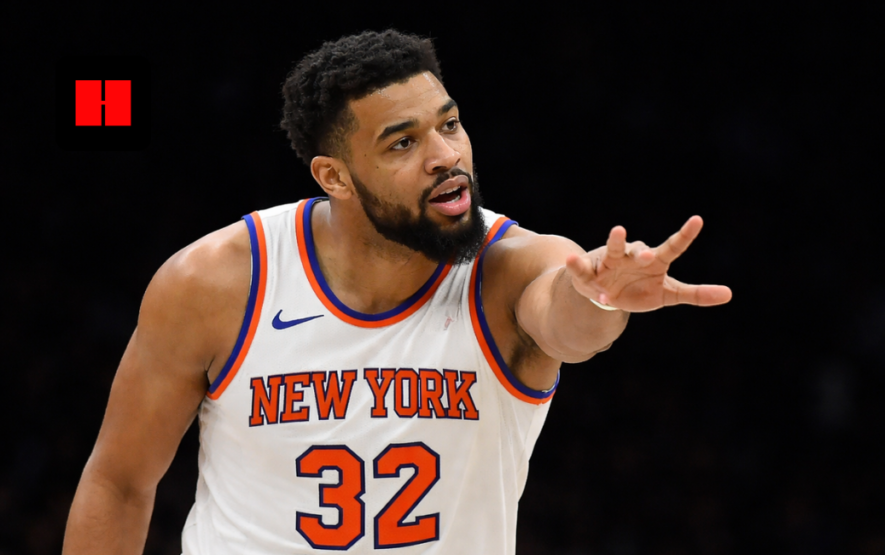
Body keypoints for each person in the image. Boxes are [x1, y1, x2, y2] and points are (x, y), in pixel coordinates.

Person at [62, 29, 732, 555]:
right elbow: (119, 481)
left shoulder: (514, 266)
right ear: (335, 176)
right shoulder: (214, 282)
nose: (445, 154)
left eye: (449, 123)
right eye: (403, 142)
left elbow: (567, 321)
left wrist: (600, 298)